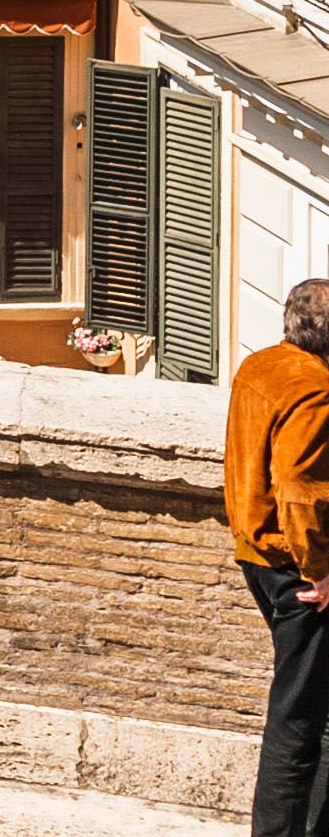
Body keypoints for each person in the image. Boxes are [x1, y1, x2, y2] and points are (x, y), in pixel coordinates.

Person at [230, 276, 329, 836]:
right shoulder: (315, 388)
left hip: (258, 557)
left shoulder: (260, 366)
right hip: (301, 572)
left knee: (311, 702)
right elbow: (298, 491)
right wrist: (322, 573)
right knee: (297, 718)